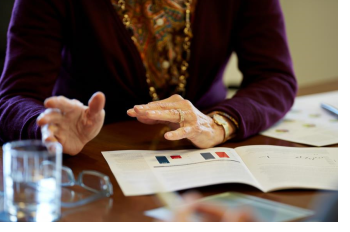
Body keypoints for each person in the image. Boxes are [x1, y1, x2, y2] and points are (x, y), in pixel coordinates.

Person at [0, 0, 297, 155]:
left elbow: (274, 76)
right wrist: (48, 129)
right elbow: (14, 97)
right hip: (91, 153)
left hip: (201, 146)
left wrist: (220, 122)